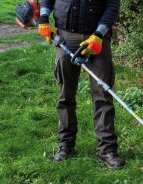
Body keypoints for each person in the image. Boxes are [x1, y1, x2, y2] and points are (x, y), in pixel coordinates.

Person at [38, 0, 125, 169]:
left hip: (97, 39)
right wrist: (43, 18)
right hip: (65, 35)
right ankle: (65, 145)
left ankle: (107, 150)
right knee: (65, 95)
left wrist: (99, 34)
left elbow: (112, 6)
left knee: (103, 95)